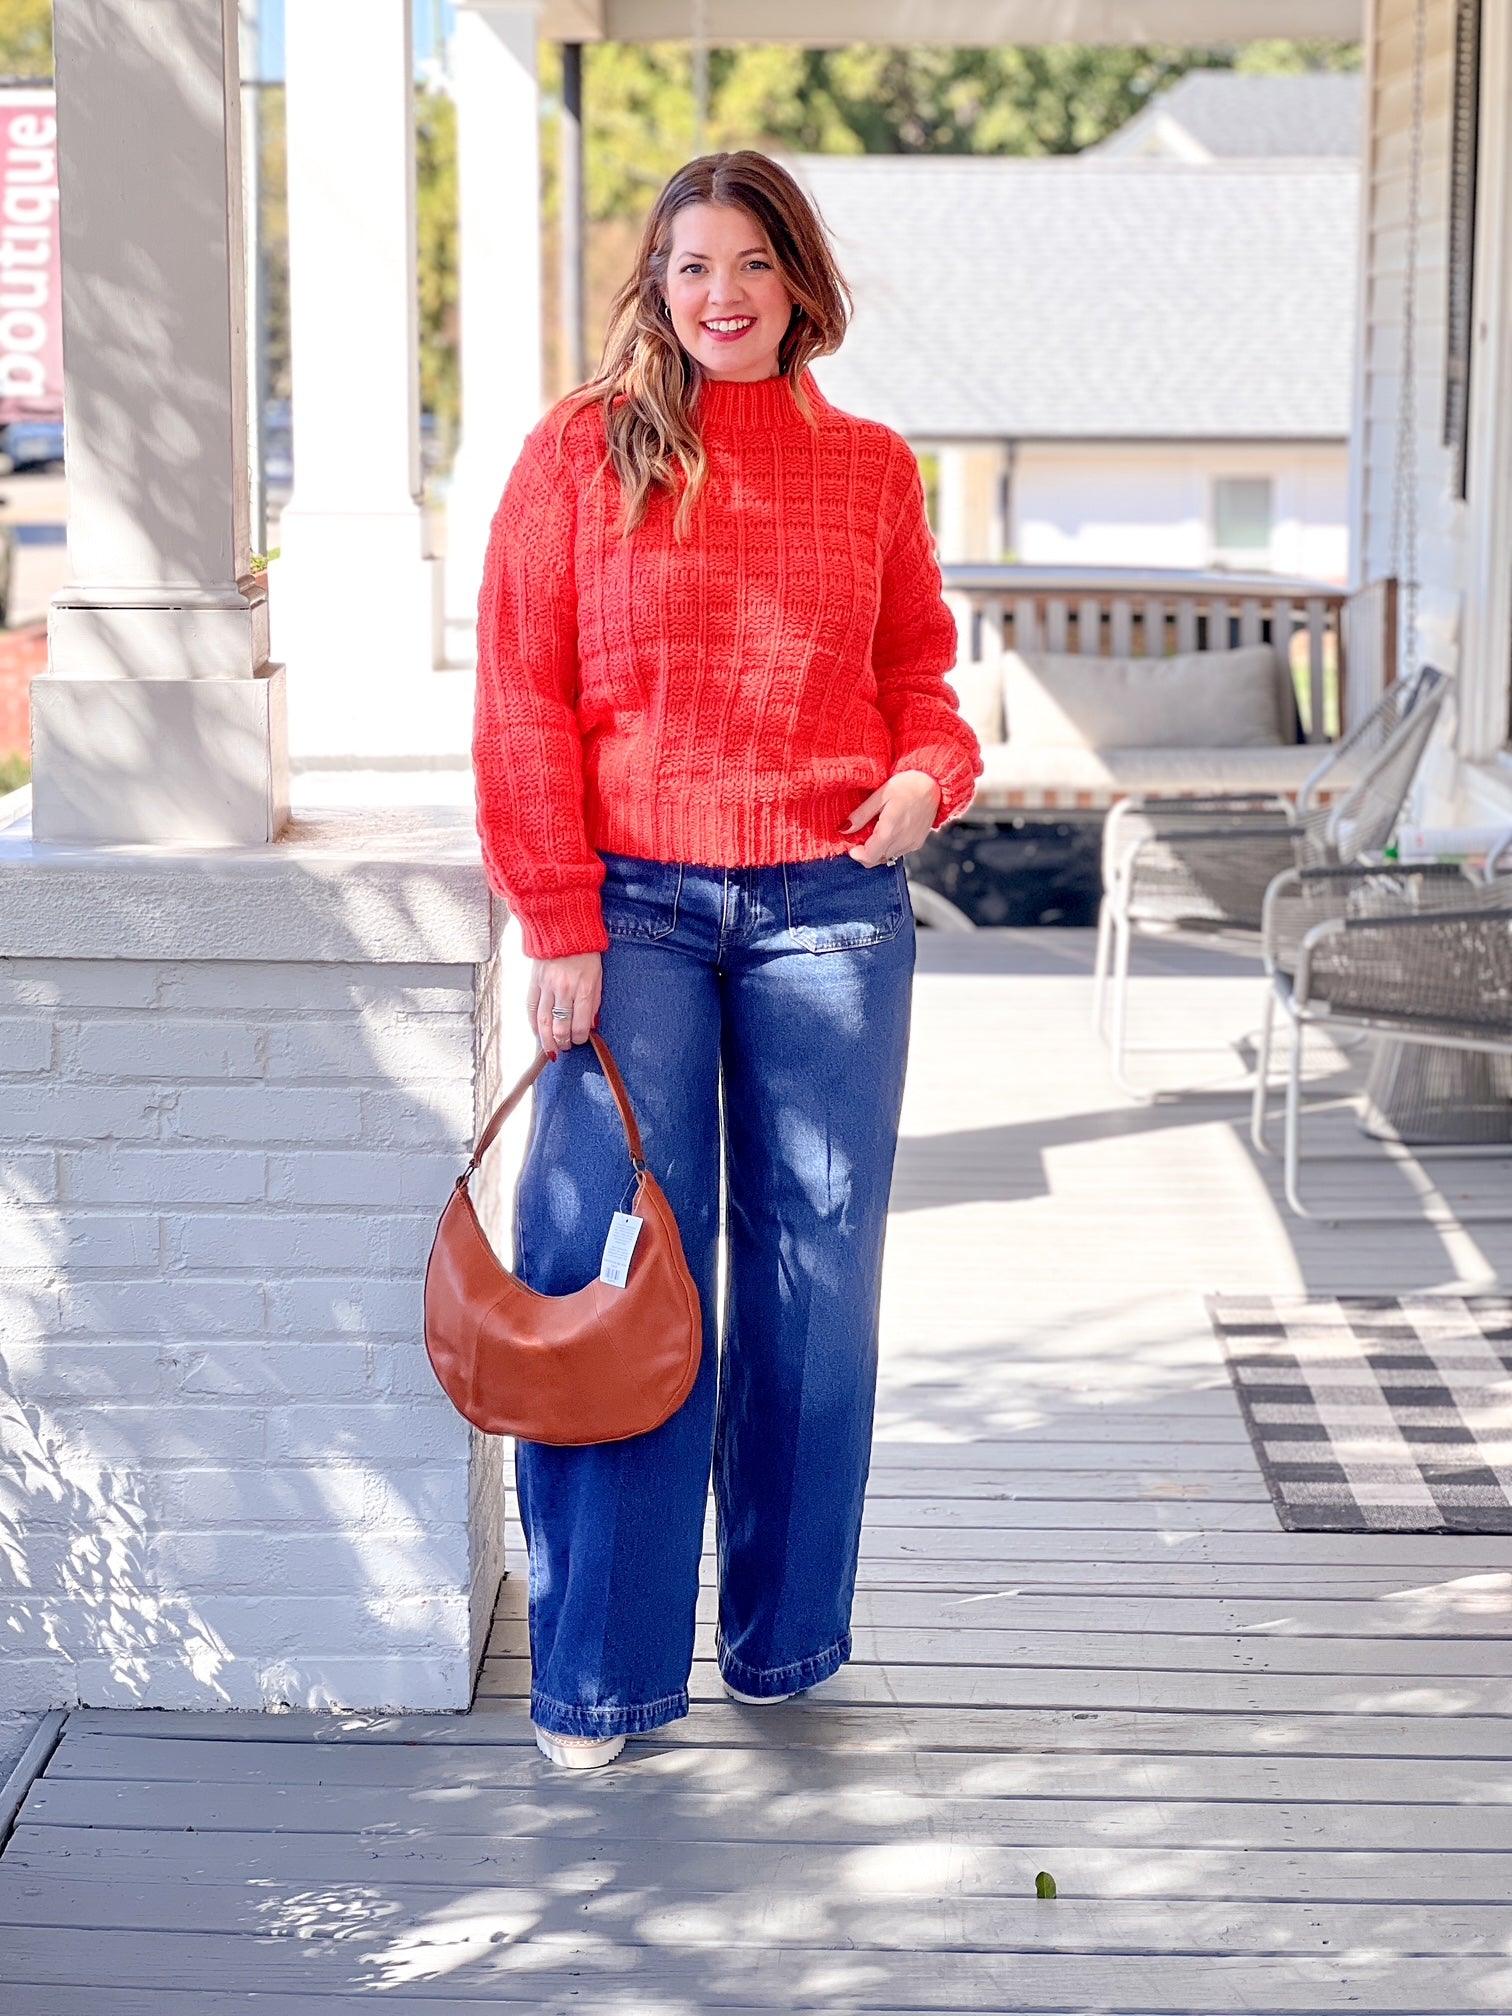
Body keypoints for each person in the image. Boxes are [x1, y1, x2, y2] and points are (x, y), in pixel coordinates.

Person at [472, 150, 982, 1769]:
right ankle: (601, 1681)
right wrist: (555, 919)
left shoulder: (873, 469)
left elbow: (925, 683)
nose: (723, 294)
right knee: (614, 1268)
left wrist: (922, 780)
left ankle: (783, 1638)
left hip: (830, 911)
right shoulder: (576, 454)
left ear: (799, 279)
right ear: (656, 287)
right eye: (691, 266)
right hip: (631, 915)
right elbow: (518, 700)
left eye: (751, 261)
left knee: (817, 1293)